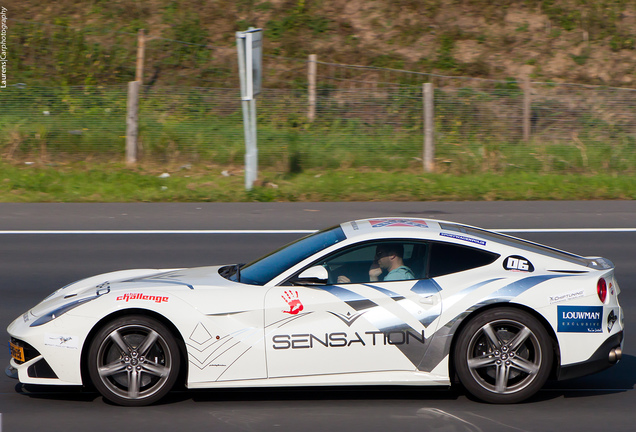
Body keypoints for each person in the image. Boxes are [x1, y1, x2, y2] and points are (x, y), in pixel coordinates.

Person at [337, 243, 414, 283]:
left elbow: (381, 302)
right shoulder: (400, 274)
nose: (375, 258)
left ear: (392, 255)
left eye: (379, 254)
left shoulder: (396, 277)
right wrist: (373, 276)